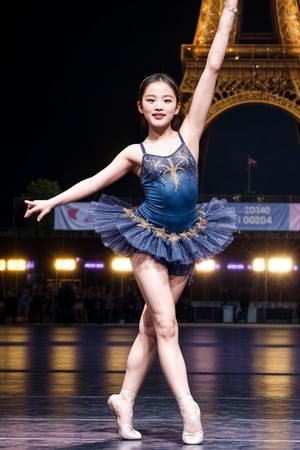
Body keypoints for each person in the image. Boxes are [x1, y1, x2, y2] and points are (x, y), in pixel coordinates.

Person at [24, 0, 238, 444]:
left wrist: (231, 10)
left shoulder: (191, 134)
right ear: (140, 107)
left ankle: (124, 400)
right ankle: (190, 412)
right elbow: (93, 180)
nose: (159, 105)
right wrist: (53, 200)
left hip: (188, 240)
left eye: (167, 99)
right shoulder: (134, 154)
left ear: (178, 106)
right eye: (150, 100)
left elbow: (214, 68)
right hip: (147, 242)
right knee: (167, 326)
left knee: (148, 326)